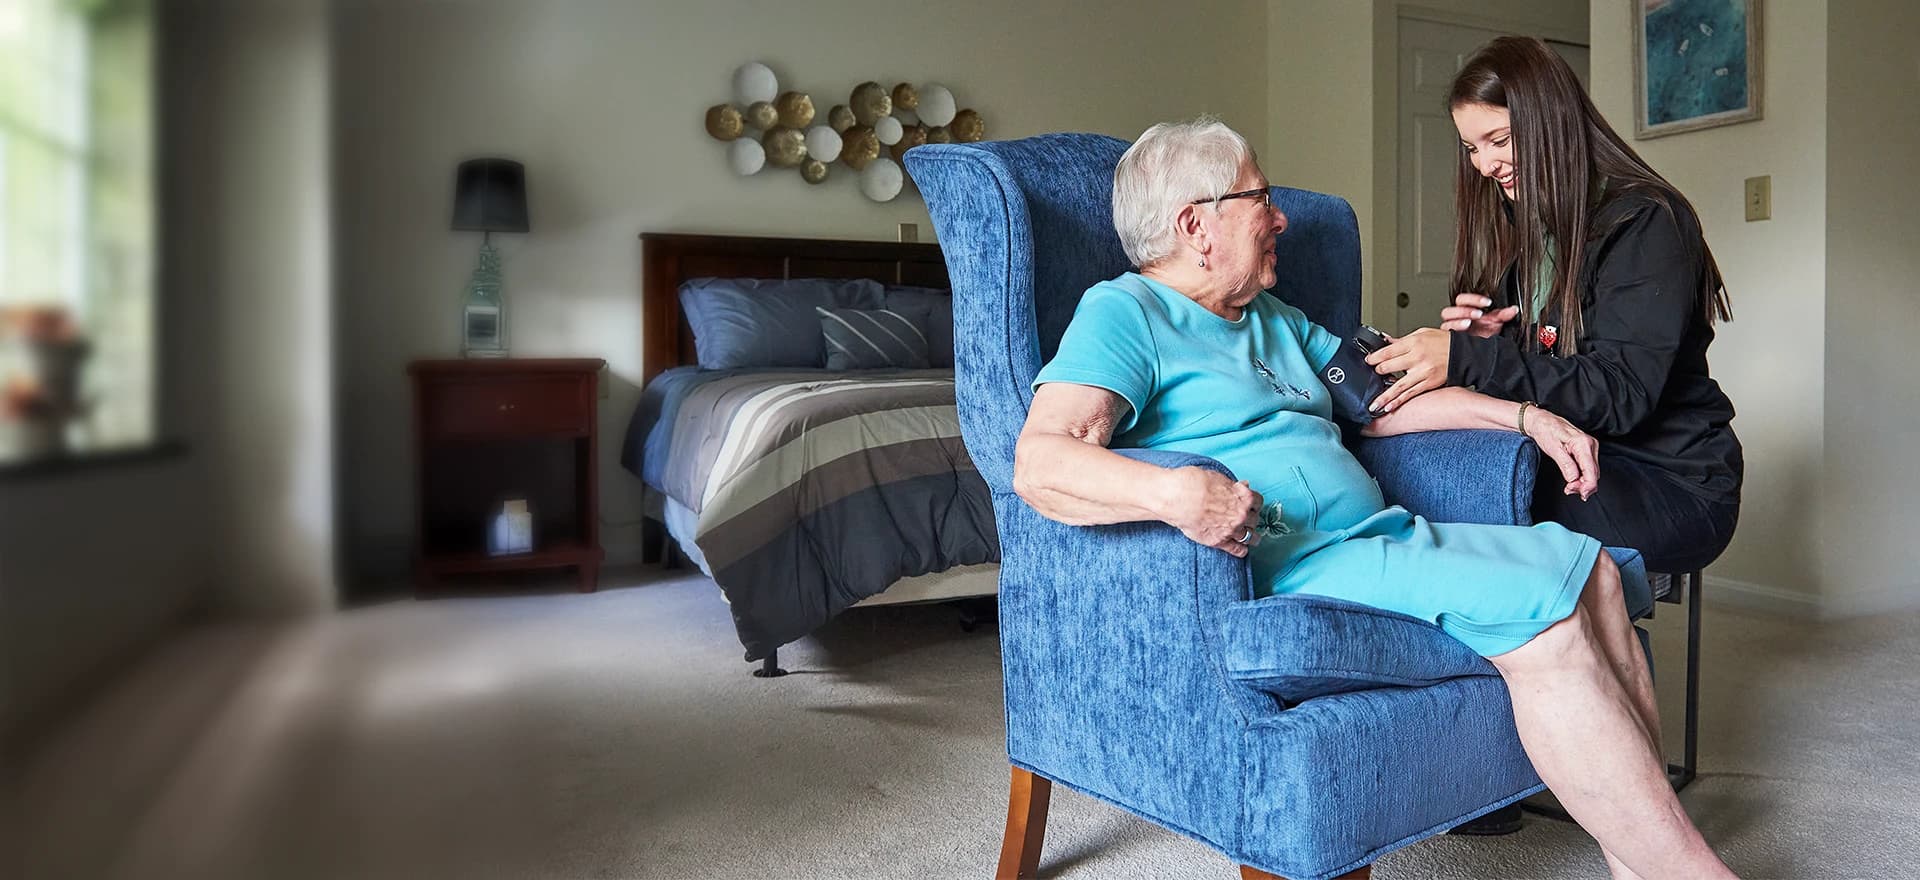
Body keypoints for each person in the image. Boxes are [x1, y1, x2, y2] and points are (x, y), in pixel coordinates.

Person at [1015, 117, 1737, 880]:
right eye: (1261, 198)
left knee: (1596, 572)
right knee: (1549, 622)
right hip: (1298, 561)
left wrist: (1526, 417)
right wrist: (1174, 492)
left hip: (1381, 537)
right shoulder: (1126, 313)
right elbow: (1040, 462)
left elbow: (1385, 400)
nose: (1281, 219)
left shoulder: (1272, 317)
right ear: (1196, 225)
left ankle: (1640, 868)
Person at [1361, 36, 1742, 576]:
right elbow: (1553, 370)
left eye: (1498, 140)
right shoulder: (1537, 235)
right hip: (1580, 451)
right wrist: (1493, 341)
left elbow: (1620, 393)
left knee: (1470, 500)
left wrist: (1469, 359)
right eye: (1472, 148)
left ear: (1548, 121)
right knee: (1432, 475)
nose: (1485, 164)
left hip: (1672, 482)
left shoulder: (1647, 221)